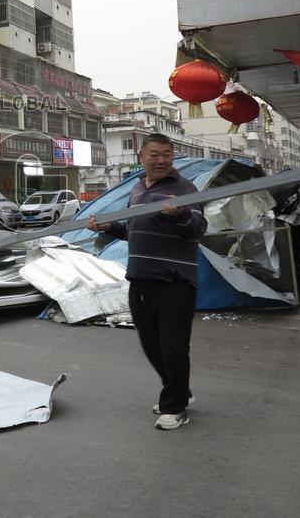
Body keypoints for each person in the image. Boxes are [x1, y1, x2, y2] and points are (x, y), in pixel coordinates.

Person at [87, 134, 207, 431]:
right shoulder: (138, 189)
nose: (162, 160)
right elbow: (133, 230)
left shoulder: (184, 189)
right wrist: (109, 226)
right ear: (141, 156)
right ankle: (178, 390)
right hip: (141, 277)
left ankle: (175, 406)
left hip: (175, 279)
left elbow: (198, 229)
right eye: (155, 154)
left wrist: (179, 215)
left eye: (167, 154)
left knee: (173, 345)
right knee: (150, 342)